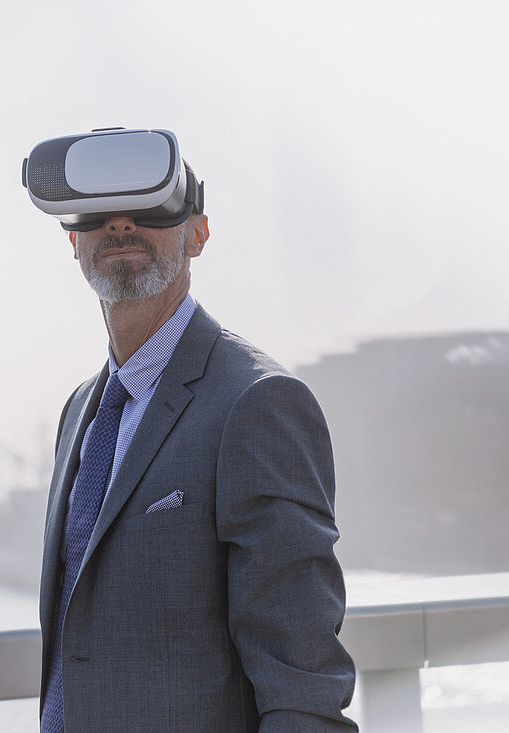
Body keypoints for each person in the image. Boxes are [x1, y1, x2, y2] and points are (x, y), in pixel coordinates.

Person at [24, 129, 358, 732]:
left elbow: (303, 680)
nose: (120, 225)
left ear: (197, 233)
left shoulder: (258, 404)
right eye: (98, 212)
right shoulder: (81, 413)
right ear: (72, 238)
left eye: (151, 207)